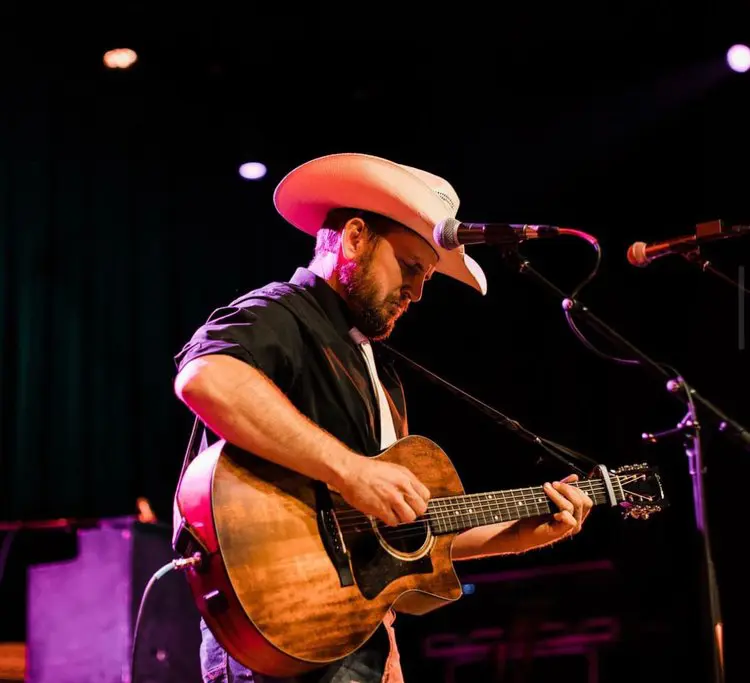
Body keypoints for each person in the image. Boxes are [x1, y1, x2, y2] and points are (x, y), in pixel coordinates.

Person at [172, 152, 594, 683]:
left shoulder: (380, 374)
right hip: (282, 636)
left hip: (362, 641)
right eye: (413, 267)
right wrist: (351, 471)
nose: (417, 293)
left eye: (427, 279)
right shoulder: (280, 312)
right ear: (354, 238)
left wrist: (521, 533)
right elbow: (206, 378)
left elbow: (406, 534)